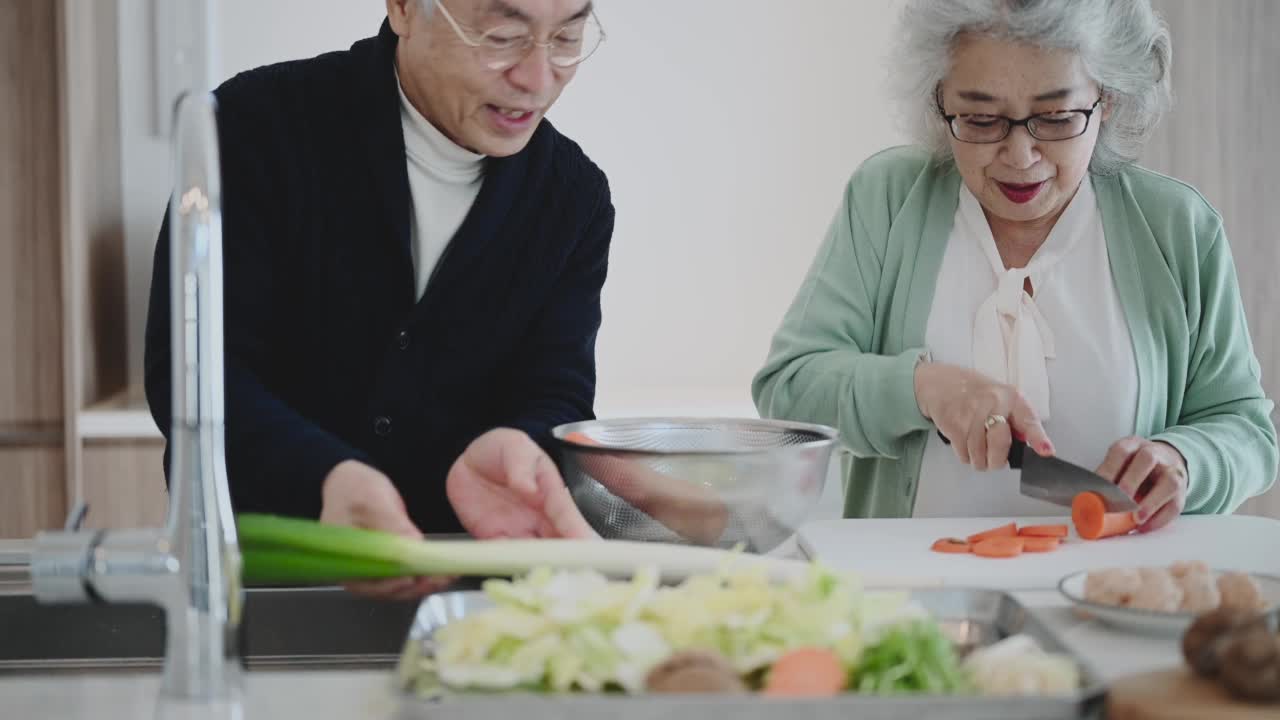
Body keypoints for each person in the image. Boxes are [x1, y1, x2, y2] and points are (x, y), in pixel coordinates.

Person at [753, 0, 1276, 532]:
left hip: (1113, 596)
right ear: (938, 102)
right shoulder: (887, 199)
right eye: (981, 119)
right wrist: (922, 388)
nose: (1020, 155)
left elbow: (1247, 430)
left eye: (1056, 117)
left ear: (1109, 99)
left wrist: (1184, 461)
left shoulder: (1179, 227)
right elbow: (791, 388)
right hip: (909, 593)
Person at [144, 0, 611, 595]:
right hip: (266, 583)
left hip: (467, 591)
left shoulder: (573, 197)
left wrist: (523, 443)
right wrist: (324, 477)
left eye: (567, 38)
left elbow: (556, 390)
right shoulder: (254, 126)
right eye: (502, 36)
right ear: (405, 8)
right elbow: (192, 371)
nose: (538, 79)